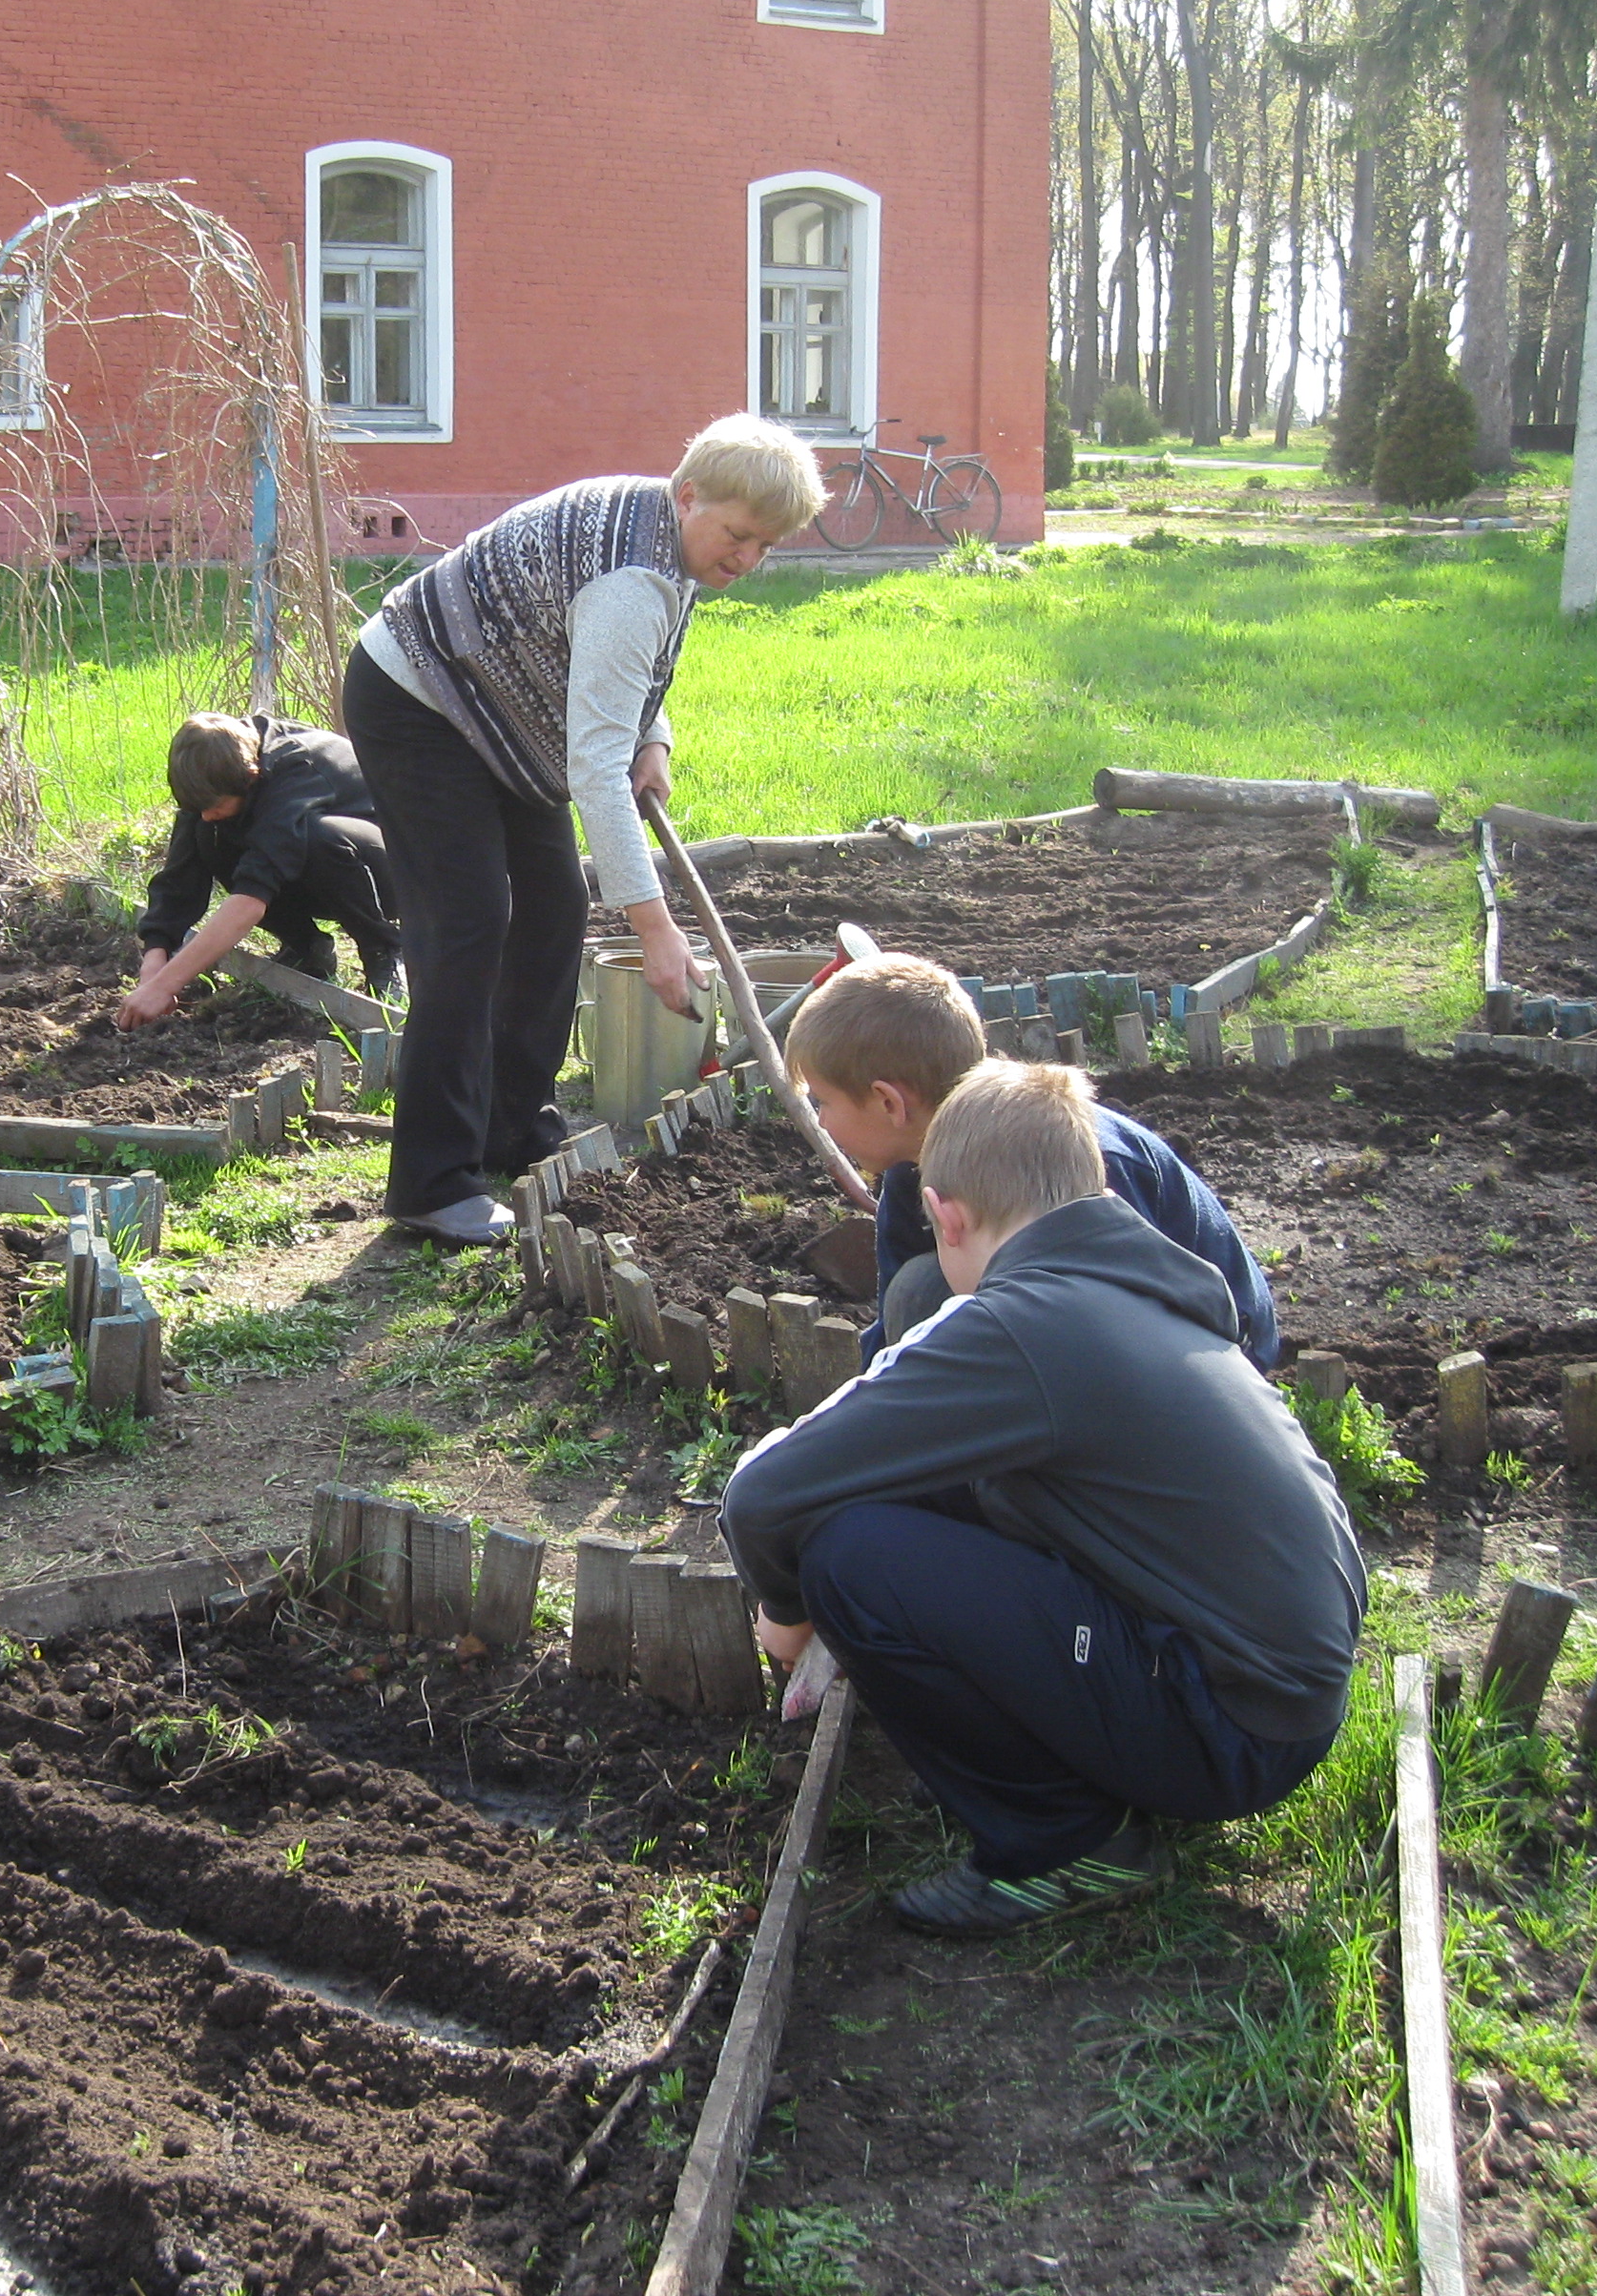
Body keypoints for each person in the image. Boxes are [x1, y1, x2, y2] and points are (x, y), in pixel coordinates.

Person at [720, 1062, 1364, 1936]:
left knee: (853, 1558)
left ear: (945, 1215)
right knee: (910, 1489)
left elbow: (761, 1497)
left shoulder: (1022, 1326)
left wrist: (788, 1613)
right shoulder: (1137, 1284)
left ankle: (1065, 1843)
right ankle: (1085, 1759)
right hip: (1275, 1687)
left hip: (1232, 1728)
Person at [343, 414, 829, 1245]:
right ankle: (432, 1180)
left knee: (556, 907)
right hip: (418, 699)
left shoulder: (669, 538)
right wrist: (657, 928)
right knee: (466, 924)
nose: (747, 560)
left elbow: (619, 665)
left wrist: (654, 734)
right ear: (688, 498)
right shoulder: (632, 577)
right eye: (740, 537)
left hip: (501, 703)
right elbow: (594, 764)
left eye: (766, 546)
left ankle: (509, 1125)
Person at [784, 954, 1283, 1370]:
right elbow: (895, 1338)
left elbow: (1138, 1311)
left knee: (928, 1294)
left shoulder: (1078, 1160)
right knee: (918, 1292)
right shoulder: (909, 1175)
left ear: (889, 1102)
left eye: (824, 1103)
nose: (822, 1124)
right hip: (1069, 1335)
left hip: (1211, 1347)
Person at [119, 712, 400, 1030]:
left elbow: (251, 898)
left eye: (215, 806)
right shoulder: (214, 772)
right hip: (313, 866)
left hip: (388, 868)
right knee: (208, 836)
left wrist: (165, 986)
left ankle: (384, 953)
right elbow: (179, 878)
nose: (207, 815)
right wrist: (155, 957)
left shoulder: (295, 766)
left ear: (251, 777)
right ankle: (307, 948)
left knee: (317, 836)